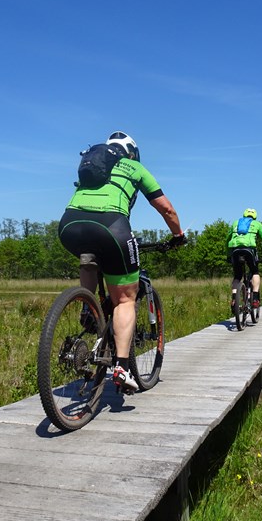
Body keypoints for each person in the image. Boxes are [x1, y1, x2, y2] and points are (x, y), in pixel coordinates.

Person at [58, 131, 186, 393]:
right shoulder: (135, 166)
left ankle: (88, 309)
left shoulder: (92, 163)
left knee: (90, 258)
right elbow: (167, 208)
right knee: (126, 300)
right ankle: (122, 367)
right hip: (111, 226)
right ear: (132, 153)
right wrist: (178, 235)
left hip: (69, 225)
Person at [226, 208, 262, 308]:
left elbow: (227, 239)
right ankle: (255, 299)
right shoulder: (257, 224)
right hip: (249, 250)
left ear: (244, 215)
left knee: (237, 276)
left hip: (235, 250)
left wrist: (228, 255)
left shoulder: (235, 223)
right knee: (255, 272)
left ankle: (234, 300)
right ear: (255, 216)